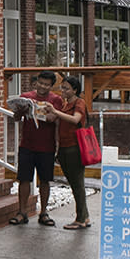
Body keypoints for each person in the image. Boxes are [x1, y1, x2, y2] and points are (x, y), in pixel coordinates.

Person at [9, 70, 63, 226]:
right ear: (36, 82)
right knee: (24, 179)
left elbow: (53, 118)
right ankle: (22, 212)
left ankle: (44, 213)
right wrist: (20, 112)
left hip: (46, 146)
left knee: (45, 180)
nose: (42, 87)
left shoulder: (55, 100)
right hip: (27, 144)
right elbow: (16, 118)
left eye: (46, 85)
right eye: (40, 83)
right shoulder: (26, 97)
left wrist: (38, 112)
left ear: (51, 86)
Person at [44, 76, 91, 229]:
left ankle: (81, 219)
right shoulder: (65, 104)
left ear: (75, 90)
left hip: (75, 148)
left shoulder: (79, 103)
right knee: (74, 183)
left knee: (77, 183)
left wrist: (56, 112)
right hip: (64, 147)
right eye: (62, 87)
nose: (62, 91)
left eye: (66, 88)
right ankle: (85, 216)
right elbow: (58, 121)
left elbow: (76, 119)